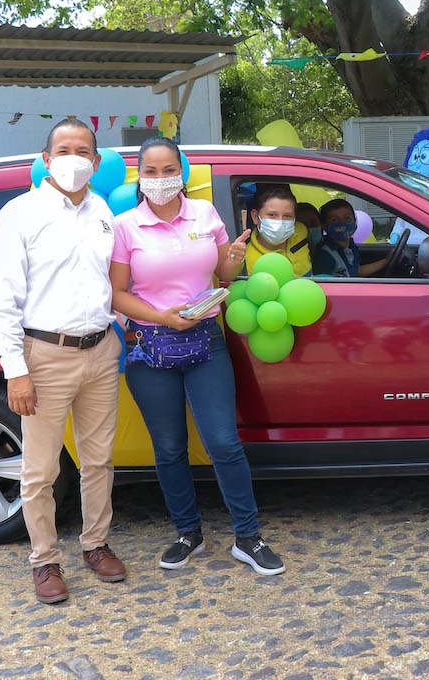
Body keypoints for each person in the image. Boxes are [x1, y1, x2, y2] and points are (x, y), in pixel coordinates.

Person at [110, 137, 284, 576]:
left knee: (223, 442)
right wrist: (161, 317)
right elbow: (116, 293)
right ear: (139, 177)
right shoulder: (125, 226)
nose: (161, 179)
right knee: (169, 448)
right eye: (151, 172)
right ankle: (188, 533)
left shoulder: (205, 213)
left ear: (181, 173)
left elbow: (222, 274)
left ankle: (248, 537)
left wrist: (234, 259)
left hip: (206, 341)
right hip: (150, 346)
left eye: (169, 170)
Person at [0, 118, 127, 605]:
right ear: (46, 159)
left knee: (99, 459)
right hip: (45, 355)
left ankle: (95, 543)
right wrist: (16, 371)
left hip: (101, 351)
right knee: (40, 469)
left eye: (83, 151)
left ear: (96, 161)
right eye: (63, 150)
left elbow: (108, 283)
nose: (73, 159)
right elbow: (2, 301)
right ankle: (44, 560)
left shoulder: (102, 211)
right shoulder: (19, 213)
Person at [245, 186, 312, 277]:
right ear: (255, 217)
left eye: (287, 216)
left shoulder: (301, 232)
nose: (280, 222)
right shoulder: (247, 260)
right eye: (272, 215)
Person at [313, 199, 389, 277]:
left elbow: (356, 271)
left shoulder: (351, 247)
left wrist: (385, 261)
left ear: (355, 221)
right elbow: (321, 281)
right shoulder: (324, 255)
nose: (342, 223)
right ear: (325, 226)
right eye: (334, 220)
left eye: (347, 218)